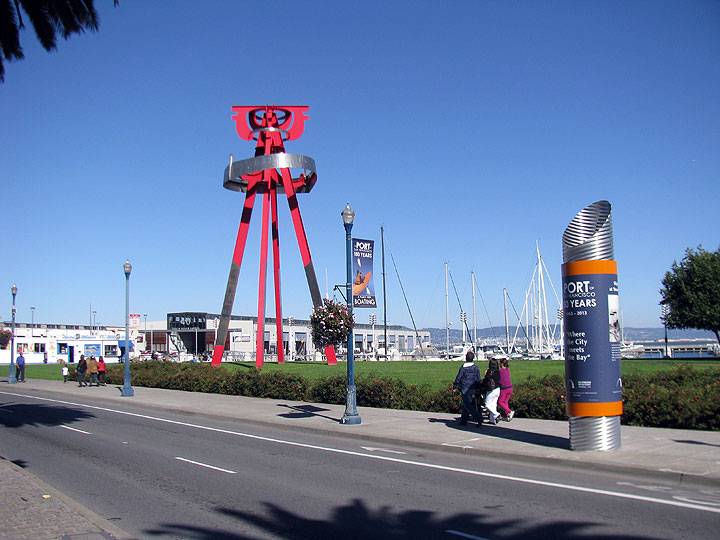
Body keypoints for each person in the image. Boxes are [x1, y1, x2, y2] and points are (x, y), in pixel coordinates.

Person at [453, 350, 482, 426]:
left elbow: (459, 377)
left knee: (468, 405)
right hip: (473, 388)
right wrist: (479, 388)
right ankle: (464, 420)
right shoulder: (476, 368)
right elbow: (478, 379)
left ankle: (478, 418)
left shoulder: (463, 367)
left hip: (465, 388)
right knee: (468, 405)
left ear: (466, 358)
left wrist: (455, 385)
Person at [482, 358, 502, 424]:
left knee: (487, 404)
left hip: (491, 390)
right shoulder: (498, 371)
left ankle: (496, 414)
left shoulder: (489, 371)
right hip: (498, 389)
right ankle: (492, 420)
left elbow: (486, 380)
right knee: (493, 405)